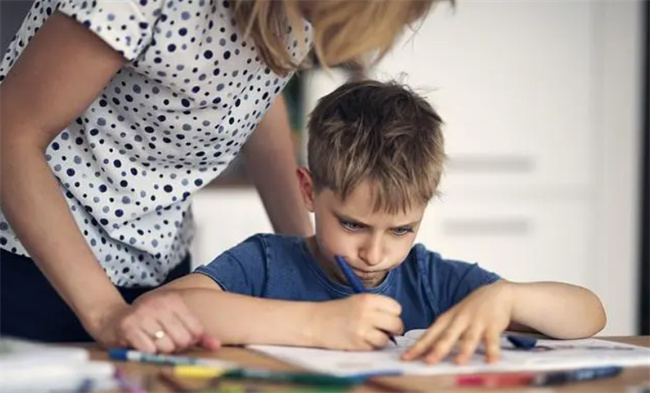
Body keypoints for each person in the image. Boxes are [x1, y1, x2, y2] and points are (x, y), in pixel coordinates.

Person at [0, 0, 440, 347]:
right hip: (33, 260)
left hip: (156, 262)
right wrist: (105, 312)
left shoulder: (292, 16)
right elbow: (10, 134)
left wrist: (313, 260)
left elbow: (255, 101)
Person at [118, 80, 607, 361]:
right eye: (352, 225)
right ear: (309, 191)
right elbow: (163, 308)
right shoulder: (267, 262)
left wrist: (507, 297)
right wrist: (316, 323)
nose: (376, 254)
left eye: (401, 230)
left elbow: (589, 316)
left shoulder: (428, 279)